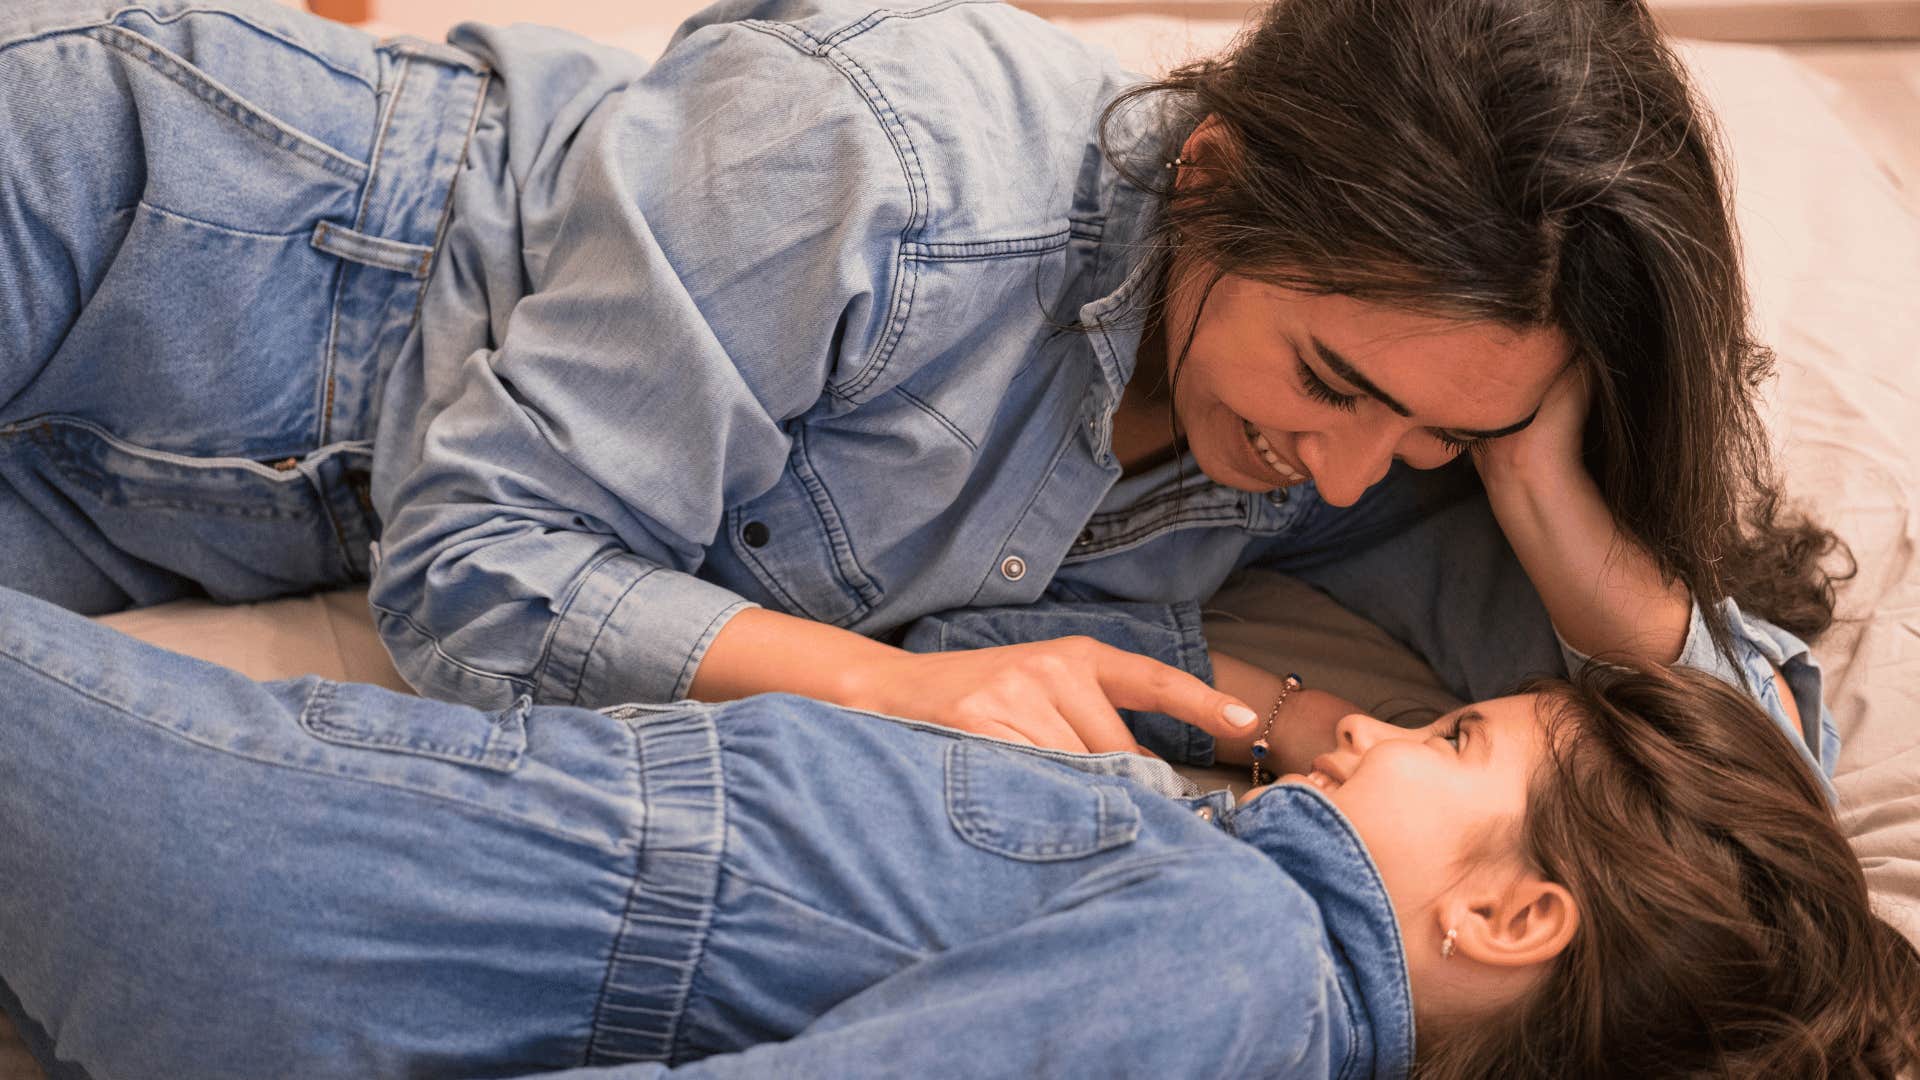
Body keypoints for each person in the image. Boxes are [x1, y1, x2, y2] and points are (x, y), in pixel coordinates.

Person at [0, 0, 1846, 774]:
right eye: (1336, 383)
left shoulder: (1346, 449)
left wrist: (1543, 490)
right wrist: (902, 687)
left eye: (1444, 432)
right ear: (1216, 175)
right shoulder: (883, 162)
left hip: (173, 511)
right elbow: (478, 571)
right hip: (169, 209)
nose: (1354, 476)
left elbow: (1745, 795)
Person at [0, 587, 1913, 1078]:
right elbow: (1767, 788)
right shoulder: (1249, 956)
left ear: (1510, 920)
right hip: (363, 911)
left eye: (1456, 736)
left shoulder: (1239, 960)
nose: (1382, 726)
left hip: (330, 884)